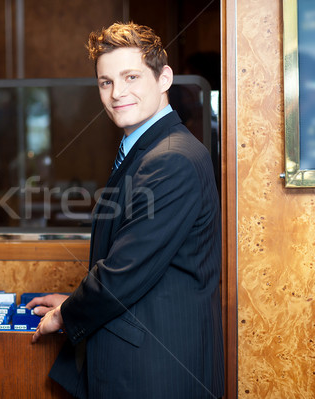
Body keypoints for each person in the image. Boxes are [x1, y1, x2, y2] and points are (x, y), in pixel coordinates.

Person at [27, 22, 224, 398]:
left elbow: (124, 271)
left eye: (131, 76)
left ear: (163, 77)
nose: (118, 93)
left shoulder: (171, 158)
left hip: (156, 370)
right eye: (106, 82)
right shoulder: (150, 148)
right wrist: (75, 302)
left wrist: (64, 316)